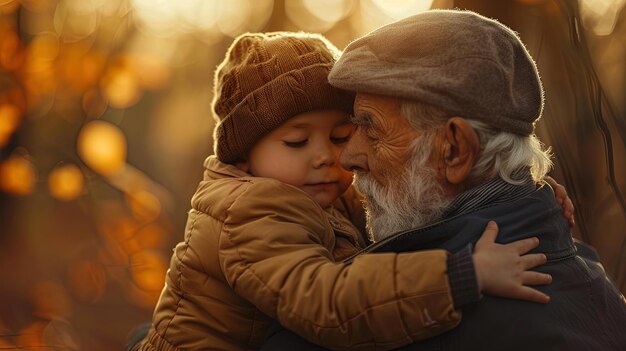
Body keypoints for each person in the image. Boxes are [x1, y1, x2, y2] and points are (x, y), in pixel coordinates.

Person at [129, 31, 576, 351]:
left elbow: (404, 193)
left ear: (457, 149)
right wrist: (460, 276)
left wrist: (524, 184)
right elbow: (325, 301)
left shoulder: (312, 191)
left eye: (343, 134)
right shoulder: (252, 208)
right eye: (297, 142)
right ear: (244, 157)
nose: (334, 158)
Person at [262, 10, 626, 351]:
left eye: (371, 131)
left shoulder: (428, 319)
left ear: (454, 150)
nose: (347, 157)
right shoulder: (590, 279)